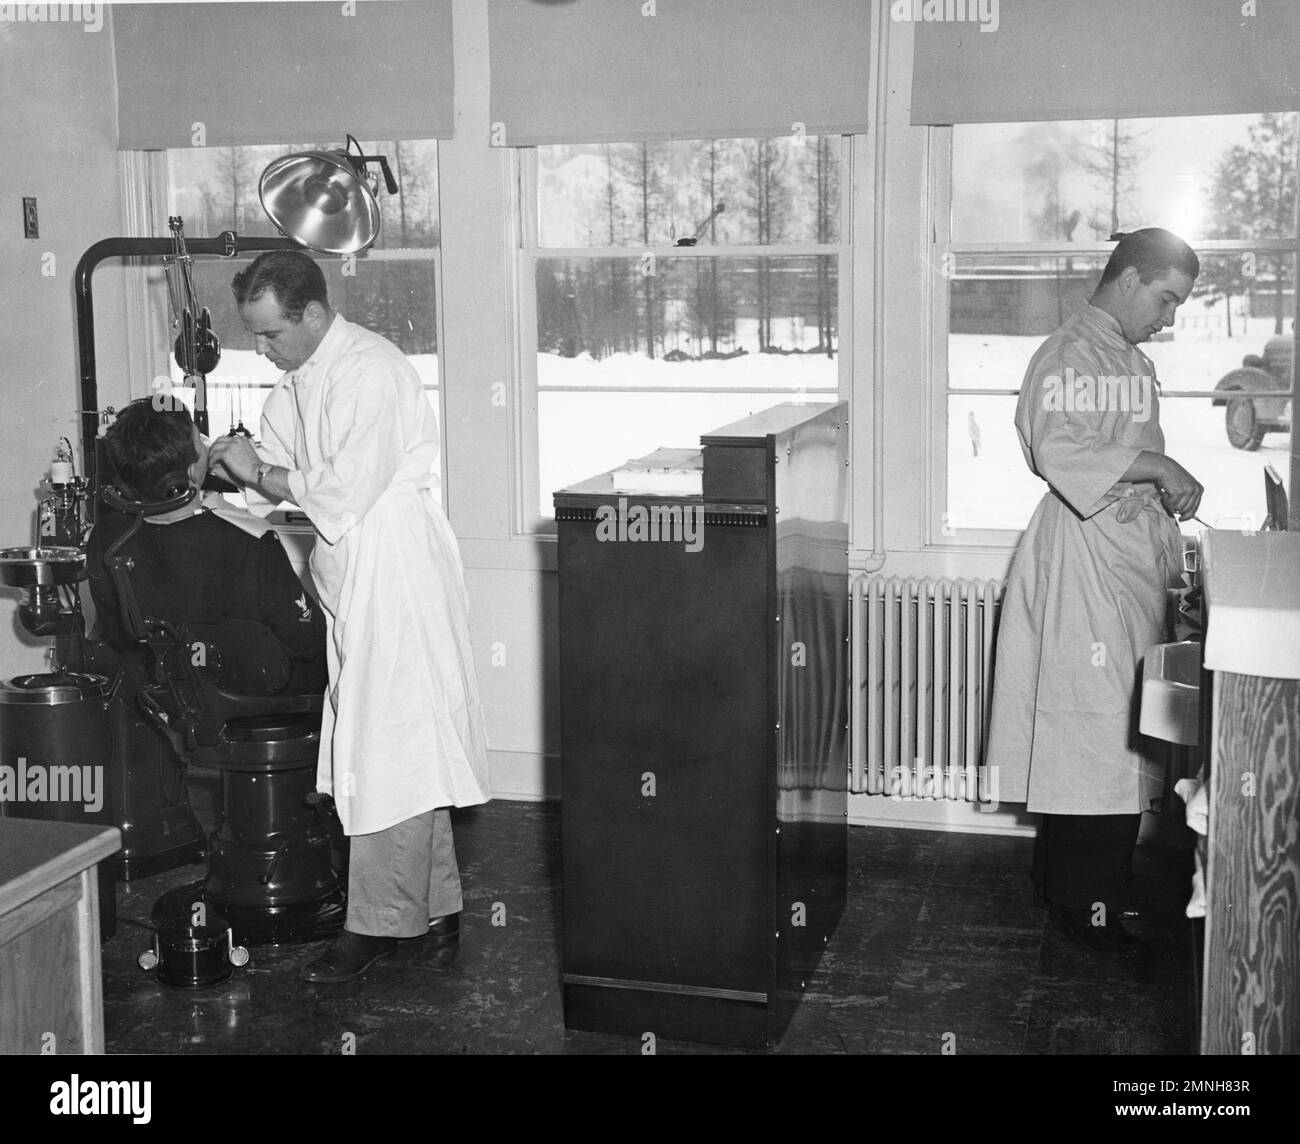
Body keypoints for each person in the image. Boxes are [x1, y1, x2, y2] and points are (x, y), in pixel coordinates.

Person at [207, 250, 490, 983]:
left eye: (270, 334)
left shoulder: (373, 369)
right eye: (254, 335)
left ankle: (376, 926)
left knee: (386, 750)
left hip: (397, 568)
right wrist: (231, 460)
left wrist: (259, 472)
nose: (262, 350)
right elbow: (273, 464)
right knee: (405, 746)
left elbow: (335, 491)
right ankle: (435, 910)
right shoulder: (302, 378)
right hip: (356, 570)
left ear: (310, 313)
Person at [984, 228, 1203, 954]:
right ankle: (1092, 904)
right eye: (1166, 297)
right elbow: (1059, 450)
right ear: (1133, 278)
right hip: (1085, 561)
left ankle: (1070, 886)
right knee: (1092, 735)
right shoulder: (1071, 353)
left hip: (1117, 555)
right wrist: (1158, 466)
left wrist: (1157, 483)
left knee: (1109, 735)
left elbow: (1116, 455)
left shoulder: (1120, 355)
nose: (1168, 317)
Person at [88, 399, 328, 698]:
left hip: (165, 702)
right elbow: (309, 640)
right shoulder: (251, 541)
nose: (205, 444)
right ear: (189, 471)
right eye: (198, 439)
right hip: (255, 709)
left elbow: (116, 636)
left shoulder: (106, 537)